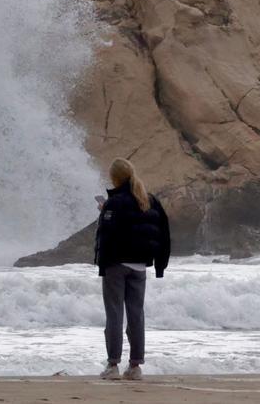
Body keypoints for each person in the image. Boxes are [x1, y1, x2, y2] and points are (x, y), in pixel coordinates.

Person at [94, 158, 170, 381]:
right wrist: (160, 265)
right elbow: (163, 233)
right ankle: (135, 366)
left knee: (115, 314)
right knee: (136, 315)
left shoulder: (114, 202)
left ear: (115, 178)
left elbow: (106, 235)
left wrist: (102, 264)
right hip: (140, 266)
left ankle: (113, 366)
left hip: (116, 265)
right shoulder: (149, 200)